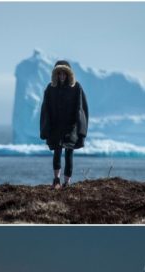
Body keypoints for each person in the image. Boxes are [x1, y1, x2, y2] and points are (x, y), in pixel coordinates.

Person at [40, 60, 89, 189]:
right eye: (59, 74)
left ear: (68, 74)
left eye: (64, 74)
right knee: (57, 152)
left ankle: (67, 183)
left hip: (70, 128)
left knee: (69, 153)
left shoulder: (76, 87)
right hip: (56, 127)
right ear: (56, 74)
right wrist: (45, 129)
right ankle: (56, 180)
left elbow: (81, 109)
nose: (62, 76)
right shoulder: (50, 89)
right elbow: (45, 109)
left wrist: (81, 131)